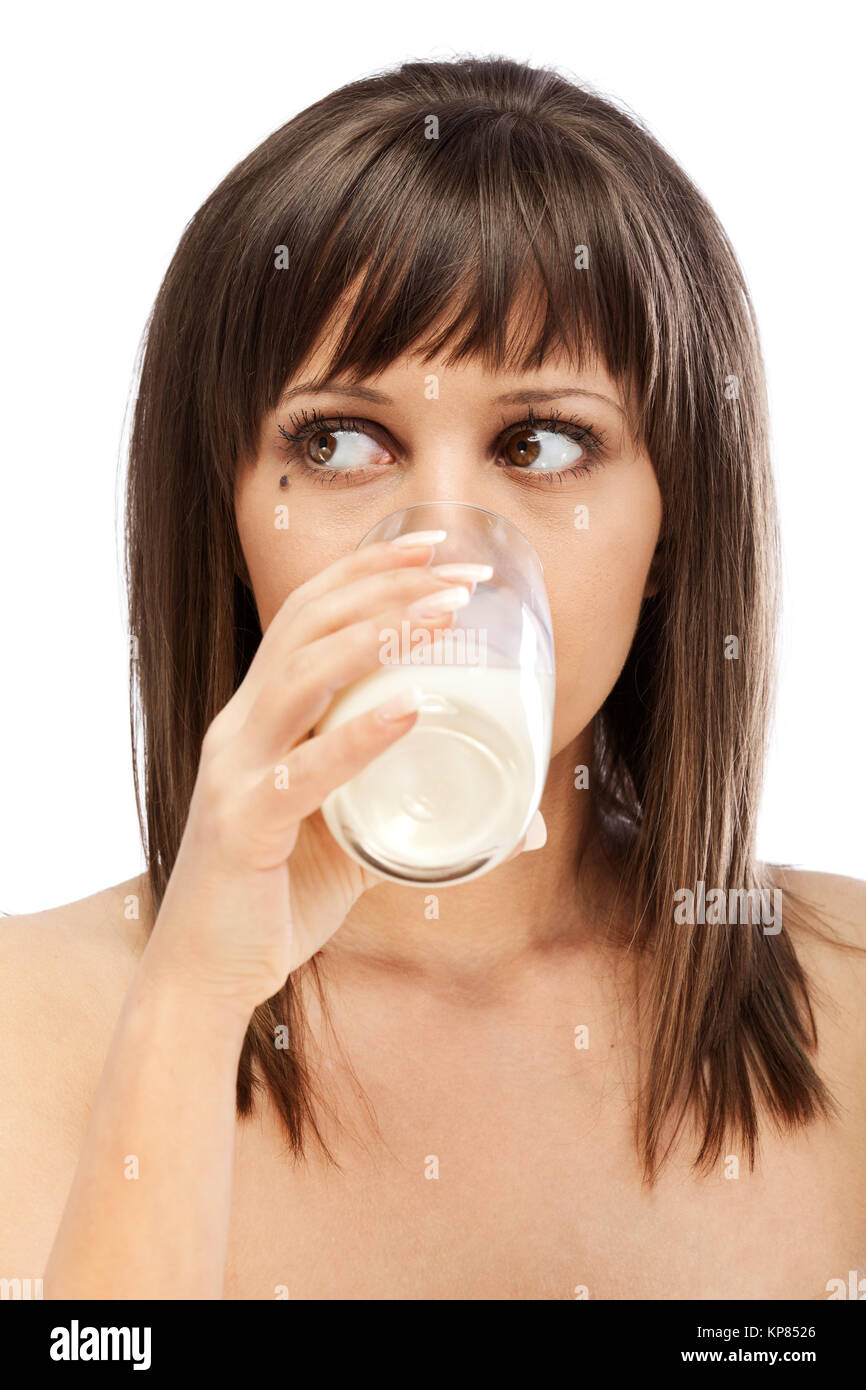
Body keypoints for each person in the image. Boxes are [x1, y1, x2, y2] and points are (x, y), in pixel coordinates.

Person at [2, 55, 864, 1301]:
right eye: (340, 442)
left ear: (673, 525)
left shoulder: (846, 1005)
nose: (439, 552)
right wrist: (191, 999)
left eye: (543, 442)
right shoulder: (31, 1023)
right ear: (226, 515)